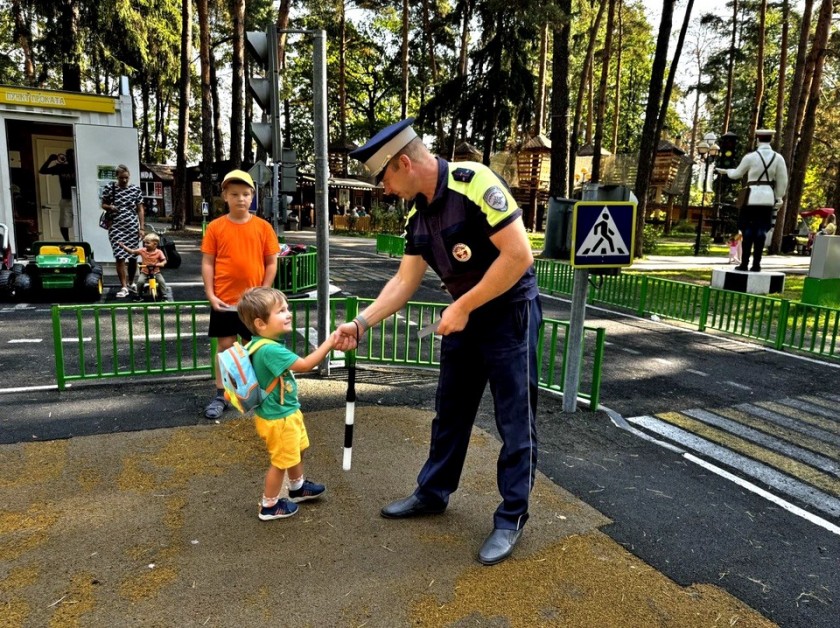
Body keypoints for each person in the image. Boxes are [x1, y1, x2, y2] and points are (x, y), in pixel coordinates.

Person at [333, 118, 542, 566]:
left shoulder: (475, 182)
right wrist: (362, 323)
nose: (386, 190)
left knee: (515, 420)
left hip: (509, 316)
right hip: (463, 319)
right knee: (450, 412)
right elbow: (404, 281)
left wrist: (465, 305)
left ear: (404, 163)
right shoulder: (418, 214)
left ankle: (511, 516)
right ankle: (433, 492)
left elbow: (519, 255)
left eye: (385, 177)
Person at [236, 287, 333, 520]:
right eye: (281, 311)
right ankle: (269, 505)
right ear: (260, 323)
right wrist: (329, 342)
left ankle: (298, 487)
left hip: (284, 412)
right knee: (280, 462)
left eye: (287, 308)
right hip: (279, 418)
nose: (288, 313)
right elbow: (306, 364)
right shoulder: (270, 350)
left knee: (295, 450)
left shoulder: (258, 343)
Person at [201, 169, 280, 420]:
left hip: (252, 304)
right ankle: (221, 395)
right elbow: (208, 263)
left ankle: (256, 394)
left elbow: (271, 262)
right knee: (225, 349)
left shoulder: (263, 227)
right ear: (225, 196)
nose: (240, 199)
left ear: (252, 196)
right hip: (224, 300)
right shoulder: (215, 227)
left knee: (254, 348)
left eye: (246, 194)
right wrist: (211, 295)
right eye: (234, 194)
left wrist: (264, 291)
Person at [716, 129, 788, 272]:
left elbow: (736, 174)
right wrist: (778, 196)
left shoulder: (751, 157)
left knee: (747, 230)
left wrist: (727, 171)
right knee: (761, 231)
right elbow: (782, 181)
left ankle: (744, 264)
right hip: (767, 198)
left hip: (751, 197)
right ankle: (756, 264)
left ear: (757, 140)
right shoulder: (778, 158)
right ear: (770, 140)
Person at [101, 165, 145, 297]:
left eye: (126, 177)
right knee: (119, 256)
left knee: (133, 256)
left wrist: (141, 227)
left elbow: (140, 209)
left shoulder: (135, 190)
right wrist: (110, 207)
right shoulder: (110, 188)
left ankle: (131, 282)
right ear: (117, 177)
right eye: (121, 178)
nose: (124, 180)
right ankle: (124, 286)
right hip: (116, 227)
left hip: (131, 226)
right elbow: (103, 204)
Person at [39, 149, 77, 241]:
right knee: (64, 224)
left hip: (80, 199)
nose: (71, 157)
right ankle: (67, 242)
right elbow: (42, 171)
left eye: (72, 155)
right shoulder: (61, 167)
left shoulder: (79, 166)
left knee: (83, 221)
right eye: (69, 155)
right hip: (66, 199)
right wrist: (50, 159)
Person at [118, 233, 169, 301]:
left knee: (161, 281)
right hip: (145, 271)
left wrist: (161, 263)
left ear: (155, 244)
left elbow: (164, 260)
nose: (145, 244)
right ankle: (138, 295)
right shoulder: (142, 250)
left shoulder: (159, 252)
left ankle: (164, 295)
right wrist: (124, 246)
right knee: (140, 282)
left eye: (148, 243)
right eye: (145, 243)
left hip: (156, 272)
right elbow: (132, 251)